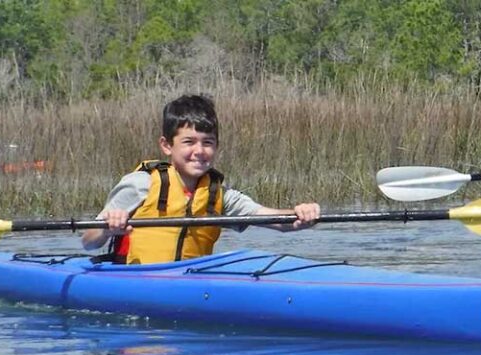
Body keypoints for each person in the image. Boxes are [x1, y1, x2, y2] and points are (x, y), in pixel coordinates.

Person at [82, 94, 320, 264]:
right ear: (166, 145)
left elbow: (274, 220)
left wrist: (300, 216)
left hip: (190, 284)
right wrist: (107, 229)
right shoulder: (140, 184)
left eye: (208, 142)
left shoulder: (220, 195)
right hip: (134, 281)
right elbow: (89, 241)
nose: (200, 151)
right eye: (189, 142)